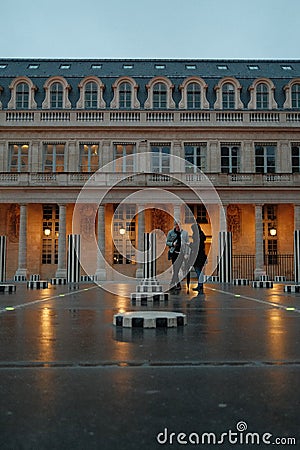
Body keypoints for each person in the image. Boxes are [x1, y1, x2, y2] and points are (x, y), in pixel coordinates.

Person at [166, 221, 189, 291]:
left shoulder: (185, 233)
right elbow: (167, 242)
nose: (178, 226)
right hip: (174, 253)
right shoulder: (171, 233)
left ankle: (173, 284)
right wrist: (172, 244)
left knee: (177, 269)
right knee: (175, 269)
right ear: (175, 225)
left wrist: (187, 253)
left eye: (179, 225)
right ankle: (176, 284)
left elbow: (187, 243)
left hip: (181, 253)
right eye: (176, 225)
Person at [190, 223, 207, 294]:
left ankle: (200, 285)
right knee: (199, 271)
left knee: (198, 271)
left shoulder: (198, 236)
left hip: (198, 256)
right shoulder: (201, 235)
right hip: (201, 255)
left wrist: (190, 245)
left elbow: (197, 246)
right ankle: (200, 285)